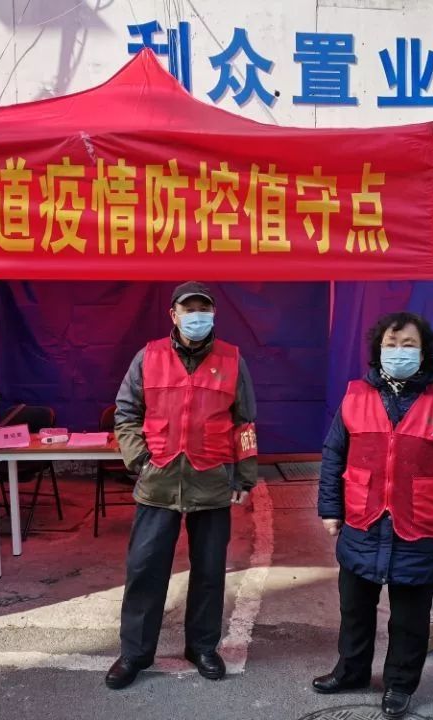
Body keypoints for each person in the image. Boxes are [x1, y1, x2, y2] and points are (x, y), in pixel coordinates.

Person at [313, 311, 433, 719]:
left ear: (424, 353)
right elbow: (334, 455)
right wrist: (330, 508)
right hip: (362, 521)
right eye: (391, 345)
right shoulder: (355, 396)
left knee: (409, 620)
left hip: (419, 526)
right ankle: (351, 672)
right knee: (355, 609)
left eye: (409, 345)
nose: (399, 353)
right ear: (378, 350)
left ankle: (400, 685)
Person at [105, 281, 258, 690]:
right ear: (173, 315)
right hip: (157, 485)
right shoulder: (148, 356)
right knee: (145, 571)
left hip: (211, 483)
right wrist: (139, 460)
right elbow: (126, 413)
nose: (197, 317)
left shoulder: (231, 360)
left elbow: (244, 423)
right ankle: (135, 653)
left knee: (209, 571)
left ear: (213, 315)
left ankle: (202, 647)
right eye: (189, 310)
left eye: (203, 310)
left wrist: (245, 475)